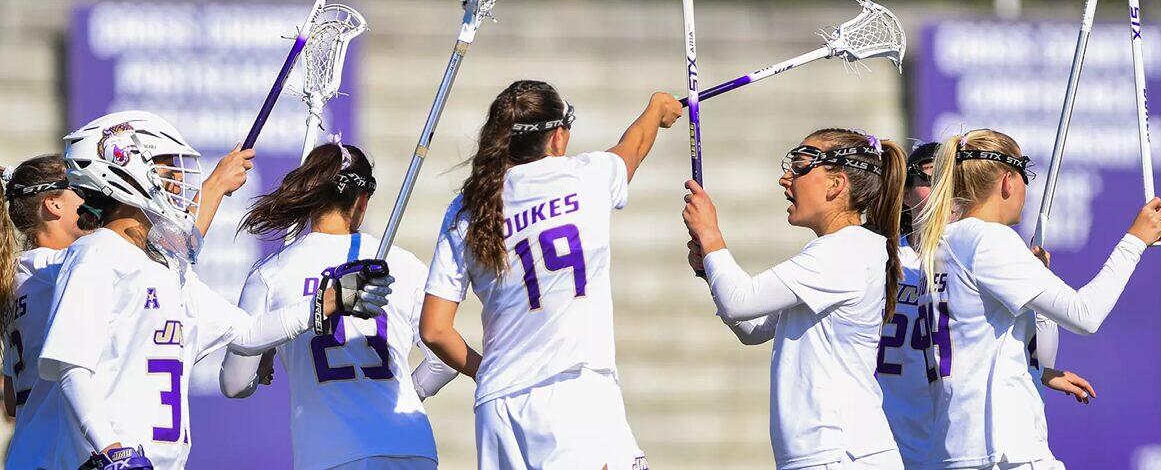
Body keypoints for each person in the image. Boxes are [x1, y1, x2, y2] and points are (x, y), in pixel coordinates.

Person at [37, 111, 392, 470]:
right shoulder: (95, 254)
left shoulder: (167, 270)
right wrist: (111, 451)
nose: (178, 179)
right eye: (165, 166)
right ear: (121, 169)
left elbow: (249, 332)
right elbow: (73, 369)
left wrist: (329, 300)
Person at [420, 81, 681, 469]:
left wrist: (486, 371)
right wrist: (656, 108)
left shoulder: (466, 208)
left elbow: (434, 330)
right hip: (572, 395)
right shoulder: (585, 176)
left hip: (497, 408)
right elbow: (634, 147)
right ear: (557, 137)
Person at [915, 129, 1161, 469]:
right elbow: (1085, 315)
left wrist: (1043, 366)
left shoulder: (939, 243)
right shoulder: (989, 240)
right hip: (1004, 451)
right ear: (1008, 182)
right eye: (1024, 176)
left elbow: (1029, 351)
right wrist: (1134, 241)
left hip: (952, 448)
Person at [0, 146, 253, 468]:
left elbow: (11, 402)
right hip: (60, 458)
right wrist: (214, 186)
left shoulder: (21, 275)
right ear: (52, 204)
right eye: (79, 189)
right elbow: (165, 257)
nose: (92, 195)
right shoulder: (71, 263)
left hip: (26, 454)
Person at [220, 141, 457, 470]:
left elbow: (235, 384)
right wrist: (408, 395)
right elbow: (444, 360)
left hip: (333, 453)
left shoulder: (271, 274)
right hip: (412, 446)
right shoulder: (403, 263)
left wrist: (267, 346)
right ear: (362, 201)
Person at [683, 128, 904, 469]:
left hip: (840, 454)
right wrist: (709, 270)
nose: (785, 178)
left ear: (836, 184)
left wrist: (711, 234)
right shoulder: (837, 251)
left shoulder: (845, 251)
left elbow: (738, 301)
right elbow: (753, 328)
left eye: (800, 166)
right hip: (827, 453)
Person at [875, 142, 1094, 469]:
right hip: (892, 442)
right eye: (931, 181)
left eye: (952, 183)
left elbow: (1028, 351)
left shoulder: (970, 256)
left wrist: (1039, 368)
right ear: (904, 194)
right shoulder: (884, 260)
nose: (943, 193)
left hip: (945, 442)